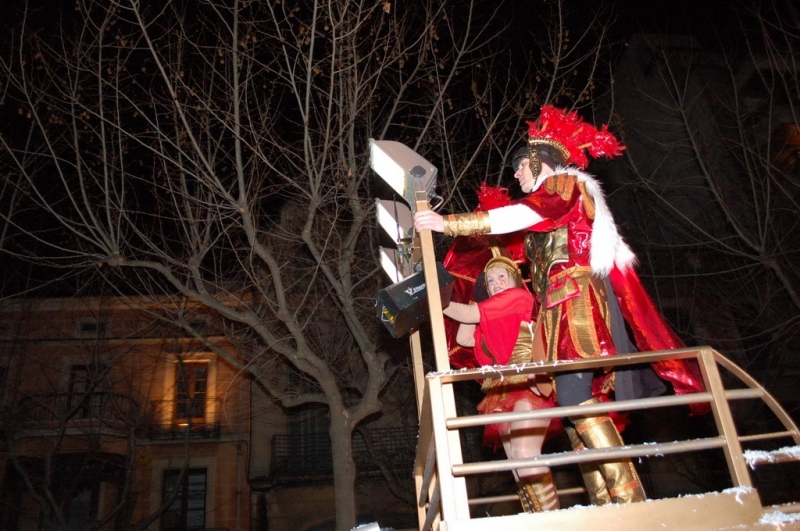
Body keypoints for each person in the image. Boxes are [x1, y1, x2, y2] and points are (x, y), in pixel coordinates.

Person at [415, 105, 707, 505]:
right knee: (572, 409)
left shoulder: (565, 186)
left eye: (520, 166)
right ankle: (606, 501)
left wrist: (447, 223)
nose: (516, 175)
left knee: (573, 399)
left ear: (539, 162)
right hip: (557, 315)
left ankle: (627, 495)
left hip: (576, 310)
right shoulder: (549, 205)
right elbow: (514, 237)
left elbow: (518, 217)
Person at [443, 254, 558, 512]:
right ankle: (536, 520)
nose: (495, 283)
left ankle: (552, 522)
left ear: (514, 280)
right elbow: (465, 337)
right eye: (490, 280)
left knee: (525, 454)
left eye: (501, 277)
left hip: (526, 383)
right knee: (516, 462)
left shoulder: (518, 297)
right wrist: (476, 297)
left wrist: (436, 298)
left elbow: (470, 314)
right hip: (503, 390)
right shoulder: (491, 314)